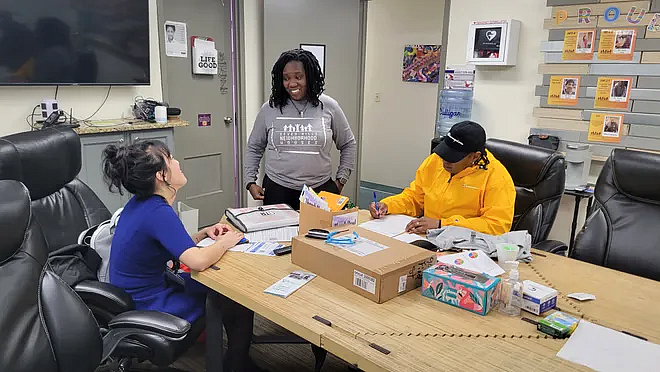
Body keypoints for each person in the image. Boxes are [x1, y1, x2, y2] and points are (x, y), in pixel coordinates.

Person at [102, 140, 262, 372]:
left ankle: (236, 361)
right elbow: (196, 261)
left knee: (222, 290)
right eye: (170, 159)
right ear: (161, 175)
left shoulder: (141, 204)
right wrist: (226, 242)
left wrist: (202, 234)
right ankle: (235, 365)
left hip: (139, 292)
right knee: (232, 297)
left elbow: (168, 245)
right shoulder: (158, 212)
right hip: (149, 302)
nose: (177, 162)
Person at [244, 48, 357, 209]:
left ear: (309, 77)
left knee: (319, 234)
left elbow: (348, 144)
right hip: (278, 189)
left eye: (298, 77)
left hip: (320, 190)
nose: (292, 83)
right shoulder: (269, 109)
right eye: (286, 78)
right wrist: (250, 181)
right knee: (280, 235)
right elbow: (254, 147)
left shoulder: (329, 106)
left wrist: (341, 180)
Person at [369, 121, 516, 236]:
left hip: (464, 247)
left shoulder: (497, 178)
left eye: (453, 158)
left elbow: (497, 225)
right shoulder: (435, 161)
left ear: (475, 156)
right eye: (445, 153)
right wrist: (388, 205)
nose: (445, 161)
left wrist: (442, 224)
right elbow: (415, 198)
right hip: (425, 237)